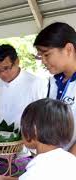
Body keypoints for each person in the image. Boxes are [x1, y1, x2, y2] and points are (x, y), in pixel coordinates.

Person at [0, 98, 76, 180]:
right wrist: (1, 178)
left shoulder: (38, 169)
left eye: (23, 125)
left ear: (34, 130)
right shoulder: (70, 159)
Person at [33, 22, 76, 154]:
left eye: (47, 55)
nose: (43, 61)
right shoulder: (53, 82)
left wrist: (67, 164)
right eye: (41, 56)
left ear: (68, 49)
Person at [0, 44, 47, 129]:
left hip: (26, 139)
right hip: (3, 138)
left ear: (17, 62)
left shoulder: (35, 83)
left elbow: (43, 117)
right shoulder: (0, 82)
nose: (2, 74)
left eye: (6, 68)